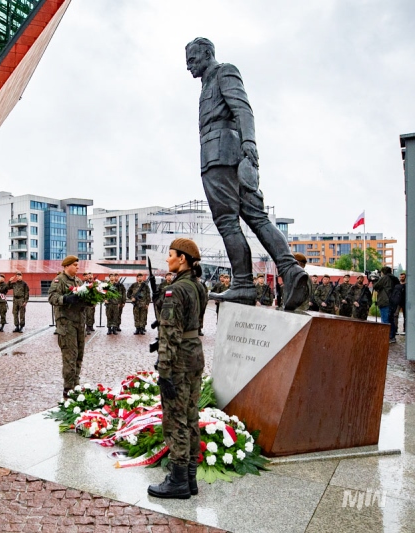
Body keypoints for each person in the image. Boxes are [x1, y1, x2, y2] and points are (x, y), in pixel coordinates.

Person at [185, 37, 308, 310]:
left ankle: (242, 284)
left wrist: (249, 144)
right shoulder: (207, 82)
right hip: (230, 153)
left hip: (221, 154)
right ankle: (291, 270)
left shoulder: (223, 71)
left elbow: (243, 109)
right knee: (256, 216)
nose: (188, 67)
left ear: (207, 54)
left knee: (227, 221)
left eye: (192, 60)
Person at [147, 238, 206, 500]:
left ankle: (178, 479)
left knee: (176, 420)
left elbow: (169, 333)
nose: (168, 259)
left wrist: (164, 372)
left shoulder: (176, 290)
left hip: (179, 360)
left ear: (182, 258)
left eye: (170, 254)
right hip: (195, 355)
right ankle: (190, 477)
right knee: (191, 416)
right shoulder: (198, 286)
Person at [48, 256, 87, 398]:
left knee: (79, 355)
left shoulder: (78, 281)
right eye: (75, 265)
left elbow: (83, 298)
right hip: (66, 324)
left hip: (79, 323)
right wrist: (65, 299)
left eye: (78, 265)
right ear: (67, 266)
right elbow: (52, 297)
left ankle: (76, 384)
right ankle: (68, 387)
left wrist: (91, 300)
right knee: (70, 356)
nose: (77, 267)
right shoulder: (59, 280)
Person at [374, 266, 399, 343]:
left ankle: (386, 337)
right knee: (391, 320)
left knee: (385, 320)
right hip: (393, 302)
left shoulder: (385, 278)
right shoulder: (395, 279)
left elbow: (376, 286)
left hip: (385, 301)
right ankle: (392, 337)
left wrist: (375, 280)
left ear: (383, 272)